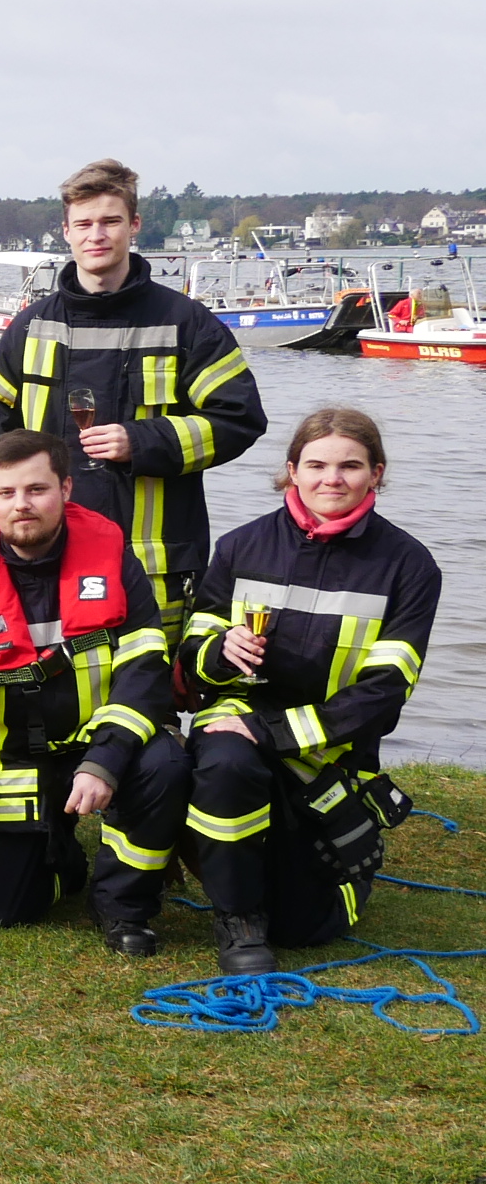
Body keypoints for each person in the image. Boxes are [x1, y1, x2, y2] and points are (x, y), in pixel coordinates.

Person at [179, 408, 443, 974]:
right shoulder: (240, 546)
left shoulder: (409, 565)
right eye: (317, 465)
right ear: (292, 471)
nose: (332, 479)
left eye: (350, 466)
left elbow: (385, 691)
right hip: (234, 729)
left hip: (330, 753)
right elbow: (193, 655)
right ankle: (237, 920)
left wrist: (273, 731)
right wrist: (219, 654)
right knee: (225, 763)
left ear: (376, 473)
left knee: (305, 930)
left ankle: (291, 871)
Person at [0, 429, 188, 955]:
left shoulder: (114, 554)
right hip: (7, 751)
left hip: (102, 739)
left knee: (165, 763)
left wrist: (106, 759)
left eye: (36, 490)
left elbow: (147, 670)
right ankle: (61, 859)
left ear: (65, 488)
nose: (22, 505)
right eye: (7, 494)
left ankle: (123, 906)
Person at [0, 159, 266, 622]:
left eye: (110, 221)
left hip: (154, 567)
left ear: (134, 226)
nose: (97, 235)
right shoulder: (29, 329)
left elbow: (240, 418)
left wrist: (143, 441)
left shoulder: (185, 323)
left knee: (152, 688)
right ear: (65, 231)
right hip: (42, 561)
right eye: (84, 223)